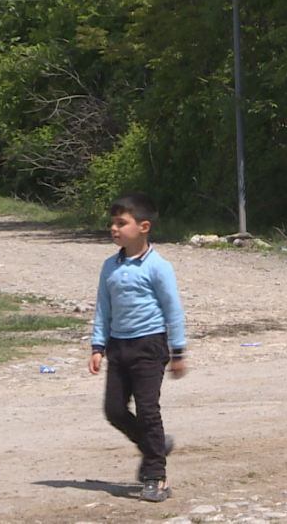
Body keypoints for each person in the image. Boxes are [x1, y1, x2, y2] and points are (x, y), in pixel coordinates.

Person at [88, 192, 187, 502]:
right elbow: (103, 308)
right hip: (118, 347)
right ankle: (154, 445)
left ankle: (156, 475)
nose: (114, 229)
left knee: (147, 411)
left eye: (122, 223)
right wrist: (97, 345)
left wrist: (178, 351)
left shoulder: (158, 266)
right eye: (112, 223)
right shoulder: (109, 266)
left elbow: (173, 310)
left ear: (144, 227)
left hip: (150, 346)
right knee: (114, 410)